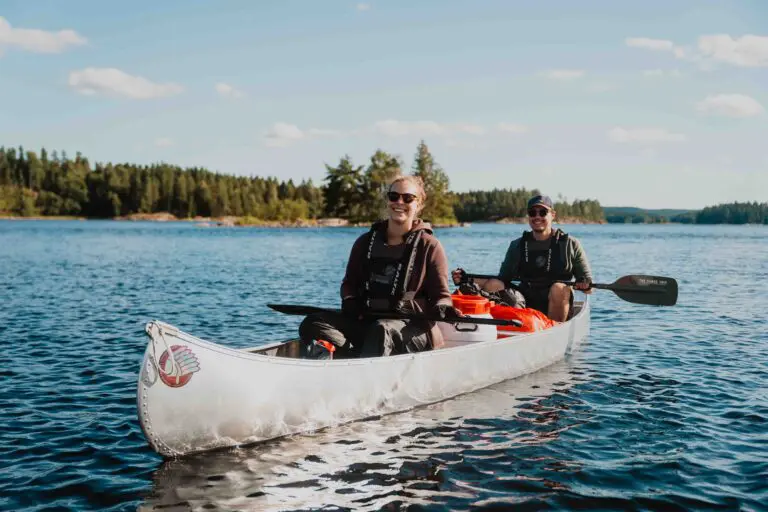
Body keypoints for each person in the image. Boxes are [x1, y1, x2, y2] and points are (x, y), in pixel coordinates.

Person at [299, 175, 462, 359]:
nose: (399, 202)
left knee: (382, 330)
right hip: (369, 323)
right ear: (388, 200)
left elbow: (442, 296)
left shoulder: (430, 246)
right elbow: (349, 284)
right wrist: (350, 300)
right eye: (394, 196)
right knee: (312, 323)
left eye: (408, 198)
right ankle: (355, 356)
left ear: (419, 205)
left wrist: (444, 308)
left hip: (413, 329)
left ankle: (361, 366)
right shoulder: (364, 243)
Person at [452, 194, 592, 322]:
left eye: (543, 212)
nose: (537, 217)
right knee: (493, 284)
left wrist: (584, 284)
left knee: (559, 288)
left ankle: (553, 329)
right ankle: (517, 328)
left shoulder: (570, 244)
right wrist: (466, 279)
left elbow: (589, 287)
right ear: (528, 216)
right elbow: (502, 279)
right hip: (526, 300)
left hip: (558, 302)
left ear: (553, 215)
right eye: (532, 213)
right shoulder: (517, 245)